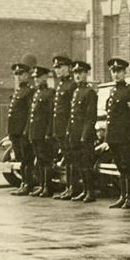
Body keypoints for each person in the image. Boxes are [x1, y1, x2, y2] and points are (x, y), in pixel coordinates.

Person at [105, 58, 130, 209]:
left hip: (125, 138)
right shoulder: (113, 91)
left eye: (119, 71)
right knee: (120, 168)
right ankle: (122, 196)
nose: (116, 74)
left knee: (128, 168)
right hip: (114, 138)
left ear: (125, 72)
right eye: (113, 71)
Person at [67, 61, 98, 202]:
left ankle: (90, 192)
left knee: (86, 164)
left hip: (85, 135)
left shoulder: (90, 92)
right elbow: (72, 115)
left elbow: (90, 117)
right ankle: (84, 190)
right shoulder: (76, 92)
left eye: (81, 73)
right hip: (75, 133)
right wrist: (70, 132)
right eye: (75, 73)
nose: (78, 76)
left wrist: (85, 135)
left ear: (86, 74)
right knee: (78, 163)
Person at [50, 56, 79, 200]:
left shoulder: (72, 85)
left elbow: (71, 111)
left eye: (61, 67)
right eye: (56, 68)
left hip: (68, 128)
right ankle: (68, 187)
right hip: (60, 128)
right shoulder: (60, 85)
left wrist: (69, 129)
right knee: (67, 158)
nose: (58, 70)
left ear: (68, 68)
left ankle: (73, 187)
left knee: (72, 158)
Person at [27, 66, 56, 197]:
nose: (36, 80)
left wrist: (48, 133)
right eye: (35, 78)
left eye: (39, 77)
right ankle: (42, 185)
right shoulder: (36, 93)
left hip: (43, 132)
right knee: (39, 159)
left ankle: (47, 187)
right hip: (36, 132)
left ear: (45, 77)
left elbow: (50, 115)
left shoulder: (50, 93)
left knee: (46, 160)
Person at [8, 63, 35, 196]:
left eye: (21, 74)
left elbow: (30, 113)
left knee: (27, 159)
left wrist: (26, 131)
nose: (18, 77)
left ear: (27, 75)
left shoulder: (29, 91)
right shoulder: (18, 91)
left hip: (23, 132)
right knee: (20, 158)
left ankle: (28, 184)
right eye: (16, 74)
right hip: (15, 132)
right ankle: (23, 183)